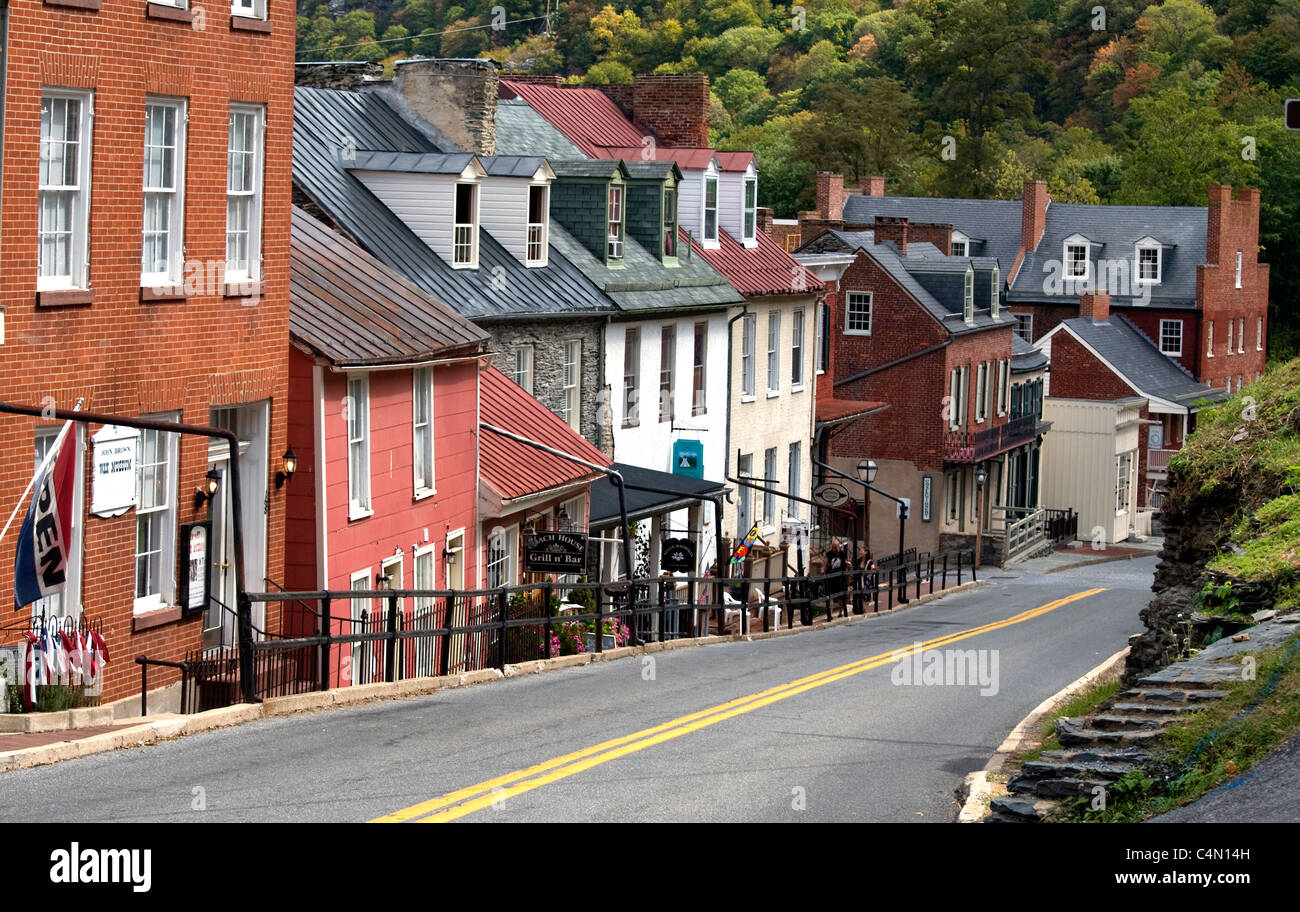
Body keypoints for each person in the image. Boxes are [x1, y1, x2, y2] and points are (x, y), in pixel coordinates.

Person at [825, 540, 848, 617]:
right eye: (833, 546)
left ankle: (840, 612)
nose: (834, 548)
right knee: (830, 596)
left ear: (838, 546)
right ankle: (830, 614)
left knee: (841, 597)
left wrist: (848, 565)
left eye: (835, 546)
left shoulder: (843, 554)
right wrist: (824, 571)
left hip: (840, 578)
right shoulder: (829, 554)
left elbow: (847, 562)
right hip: (831, 577)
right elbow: (826, 563)